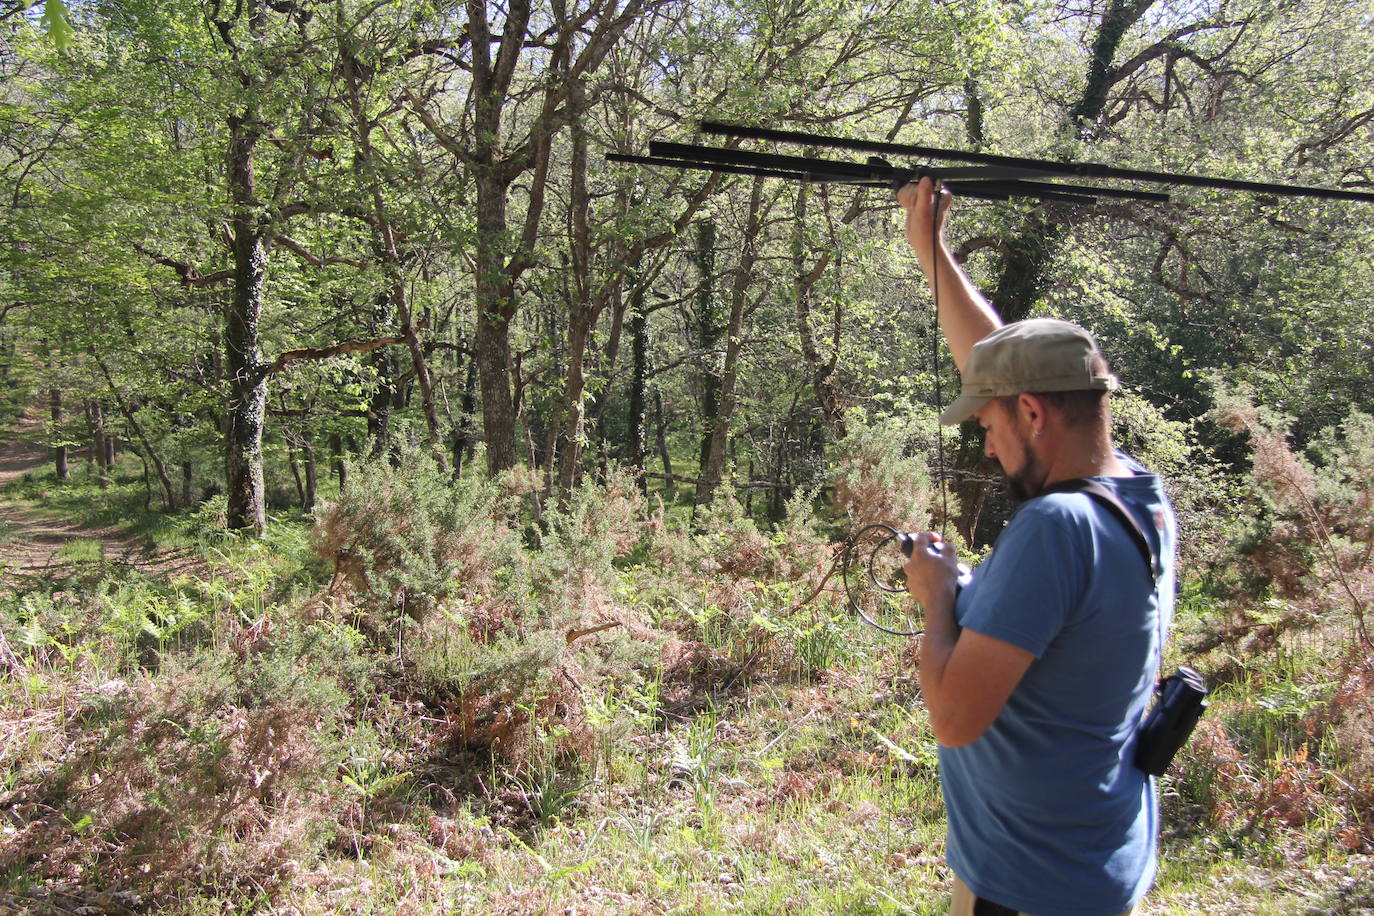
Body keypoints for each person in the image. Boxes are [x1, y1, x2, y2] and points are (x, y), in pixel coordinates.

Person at [896, 177, 1177, 916]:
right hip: (1093, 858)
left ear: (1031, 412)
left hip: (1030, 886)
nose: (987, 452)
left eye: (989, 429)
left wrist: (937, 600)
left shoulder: (1055, 528)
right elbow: (1001, 362)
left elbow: (954, 720)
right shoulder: (1141, 497)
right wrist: (932, 254)